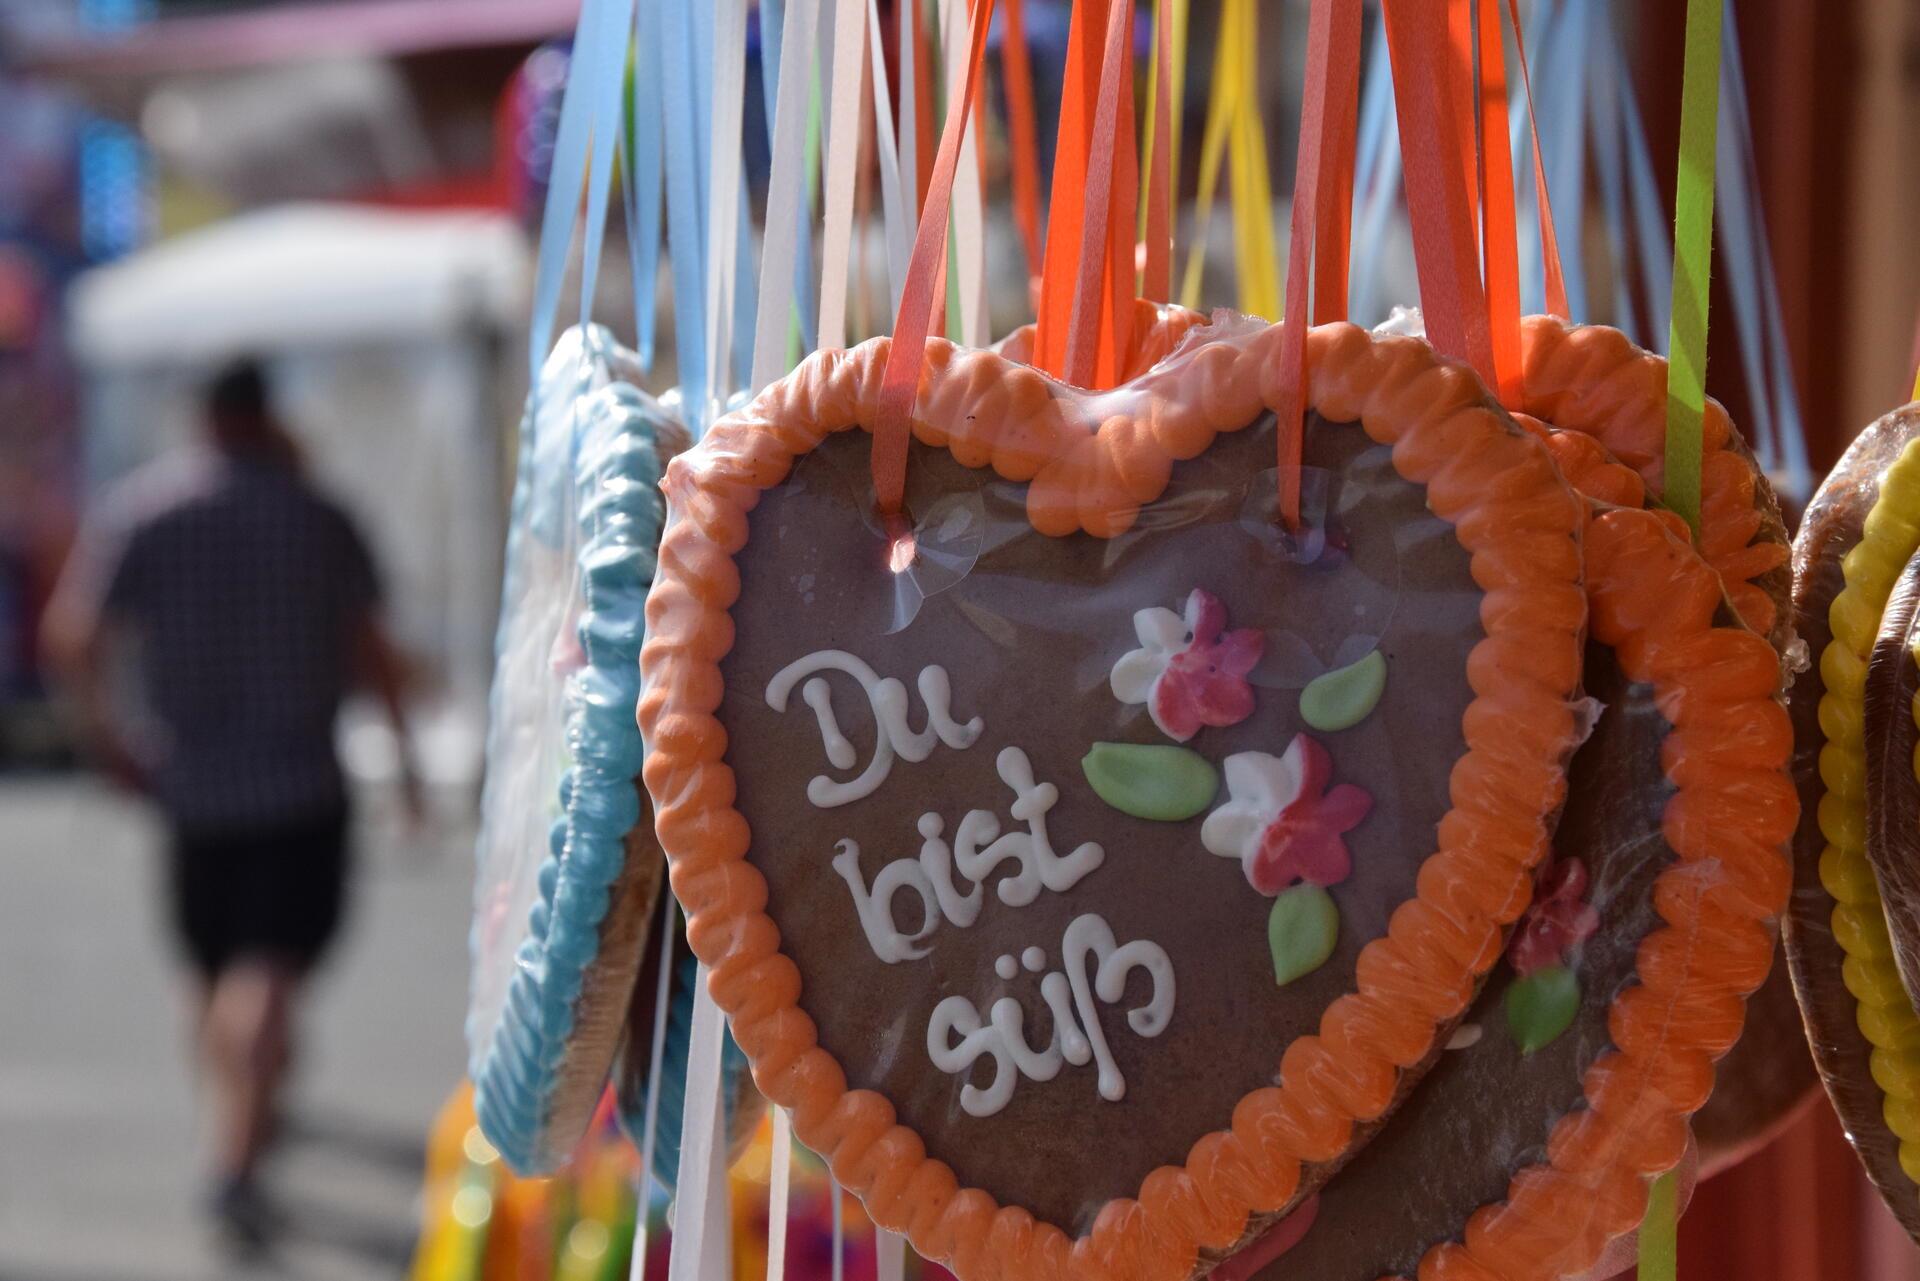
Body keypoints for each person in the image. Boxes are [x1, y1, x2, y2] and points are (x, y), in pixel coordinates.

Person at [41, 358, 420, 1252]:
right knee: (267, 969)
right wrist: (403, 768)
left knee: (212, 968)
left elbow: (73, 634)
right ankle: (235, 1159)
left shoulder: (148, 508)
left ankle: (240, 1115)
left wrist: (113, 739)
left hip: (192, 785)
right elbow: (372, 651)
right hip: (297, 784)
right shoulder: (317, 514)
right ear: (266, 417)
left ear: (205, 418)